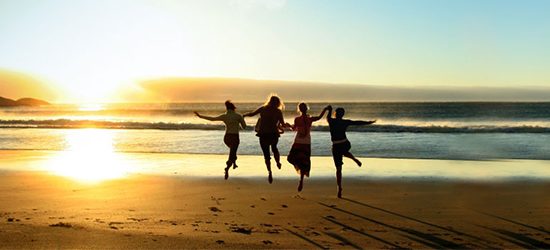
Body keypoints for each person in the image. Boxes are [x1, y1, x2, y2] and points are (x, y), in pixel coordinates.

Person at [326, 105, 376, 198]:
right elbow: (357, 122)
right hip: (345, 143)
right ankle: (353, 158)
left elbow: (327, 116)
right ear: (342, 114)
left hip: (336, 145)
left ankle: (339, 188)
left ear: (335, 114)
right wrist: (368, 122)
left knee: (338, 169)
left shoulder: (331, 121)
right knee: (343, 153)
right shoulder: (345, 122)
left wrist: (329, 109)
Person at [194, 100, 246, 180]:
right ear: (233, 108)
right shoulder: (238, 116)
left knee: (232, 151)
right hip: (235, 137)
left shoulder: (224, 116)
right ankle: (227, 168)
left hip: (227, 138)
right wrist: (240, 121)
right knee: (232, 152)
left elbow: (212, 119)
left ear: (226, 108)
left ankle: (234, 163)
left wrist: (200, 116)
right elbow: (244, 127)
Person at [243, 94, 289, 184]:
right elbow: (283, 124)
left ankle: (269, 172)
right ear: (278, 103)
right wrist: (290, 126)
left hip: (263, 134)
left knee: (266, 155)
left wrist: (244, 115)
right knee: (274, 148)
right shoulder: (278, 111)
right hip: (273, 134)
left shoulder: (263, 108)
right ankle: (278, 162)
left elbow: (252, 114)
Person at [287, 103, 329, 192]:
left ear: (299, 109)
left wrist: (288, 126)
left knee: (290, 158)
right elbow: (319, 117)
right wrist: (325, 110)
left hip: (298, 141)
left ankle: (299, 171)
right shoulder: (310, 119)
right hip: (306, 142)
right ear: (306, 109)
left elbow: (294, 129)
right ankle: (301, 180)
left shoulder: (297, 119)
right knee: (304, 162)